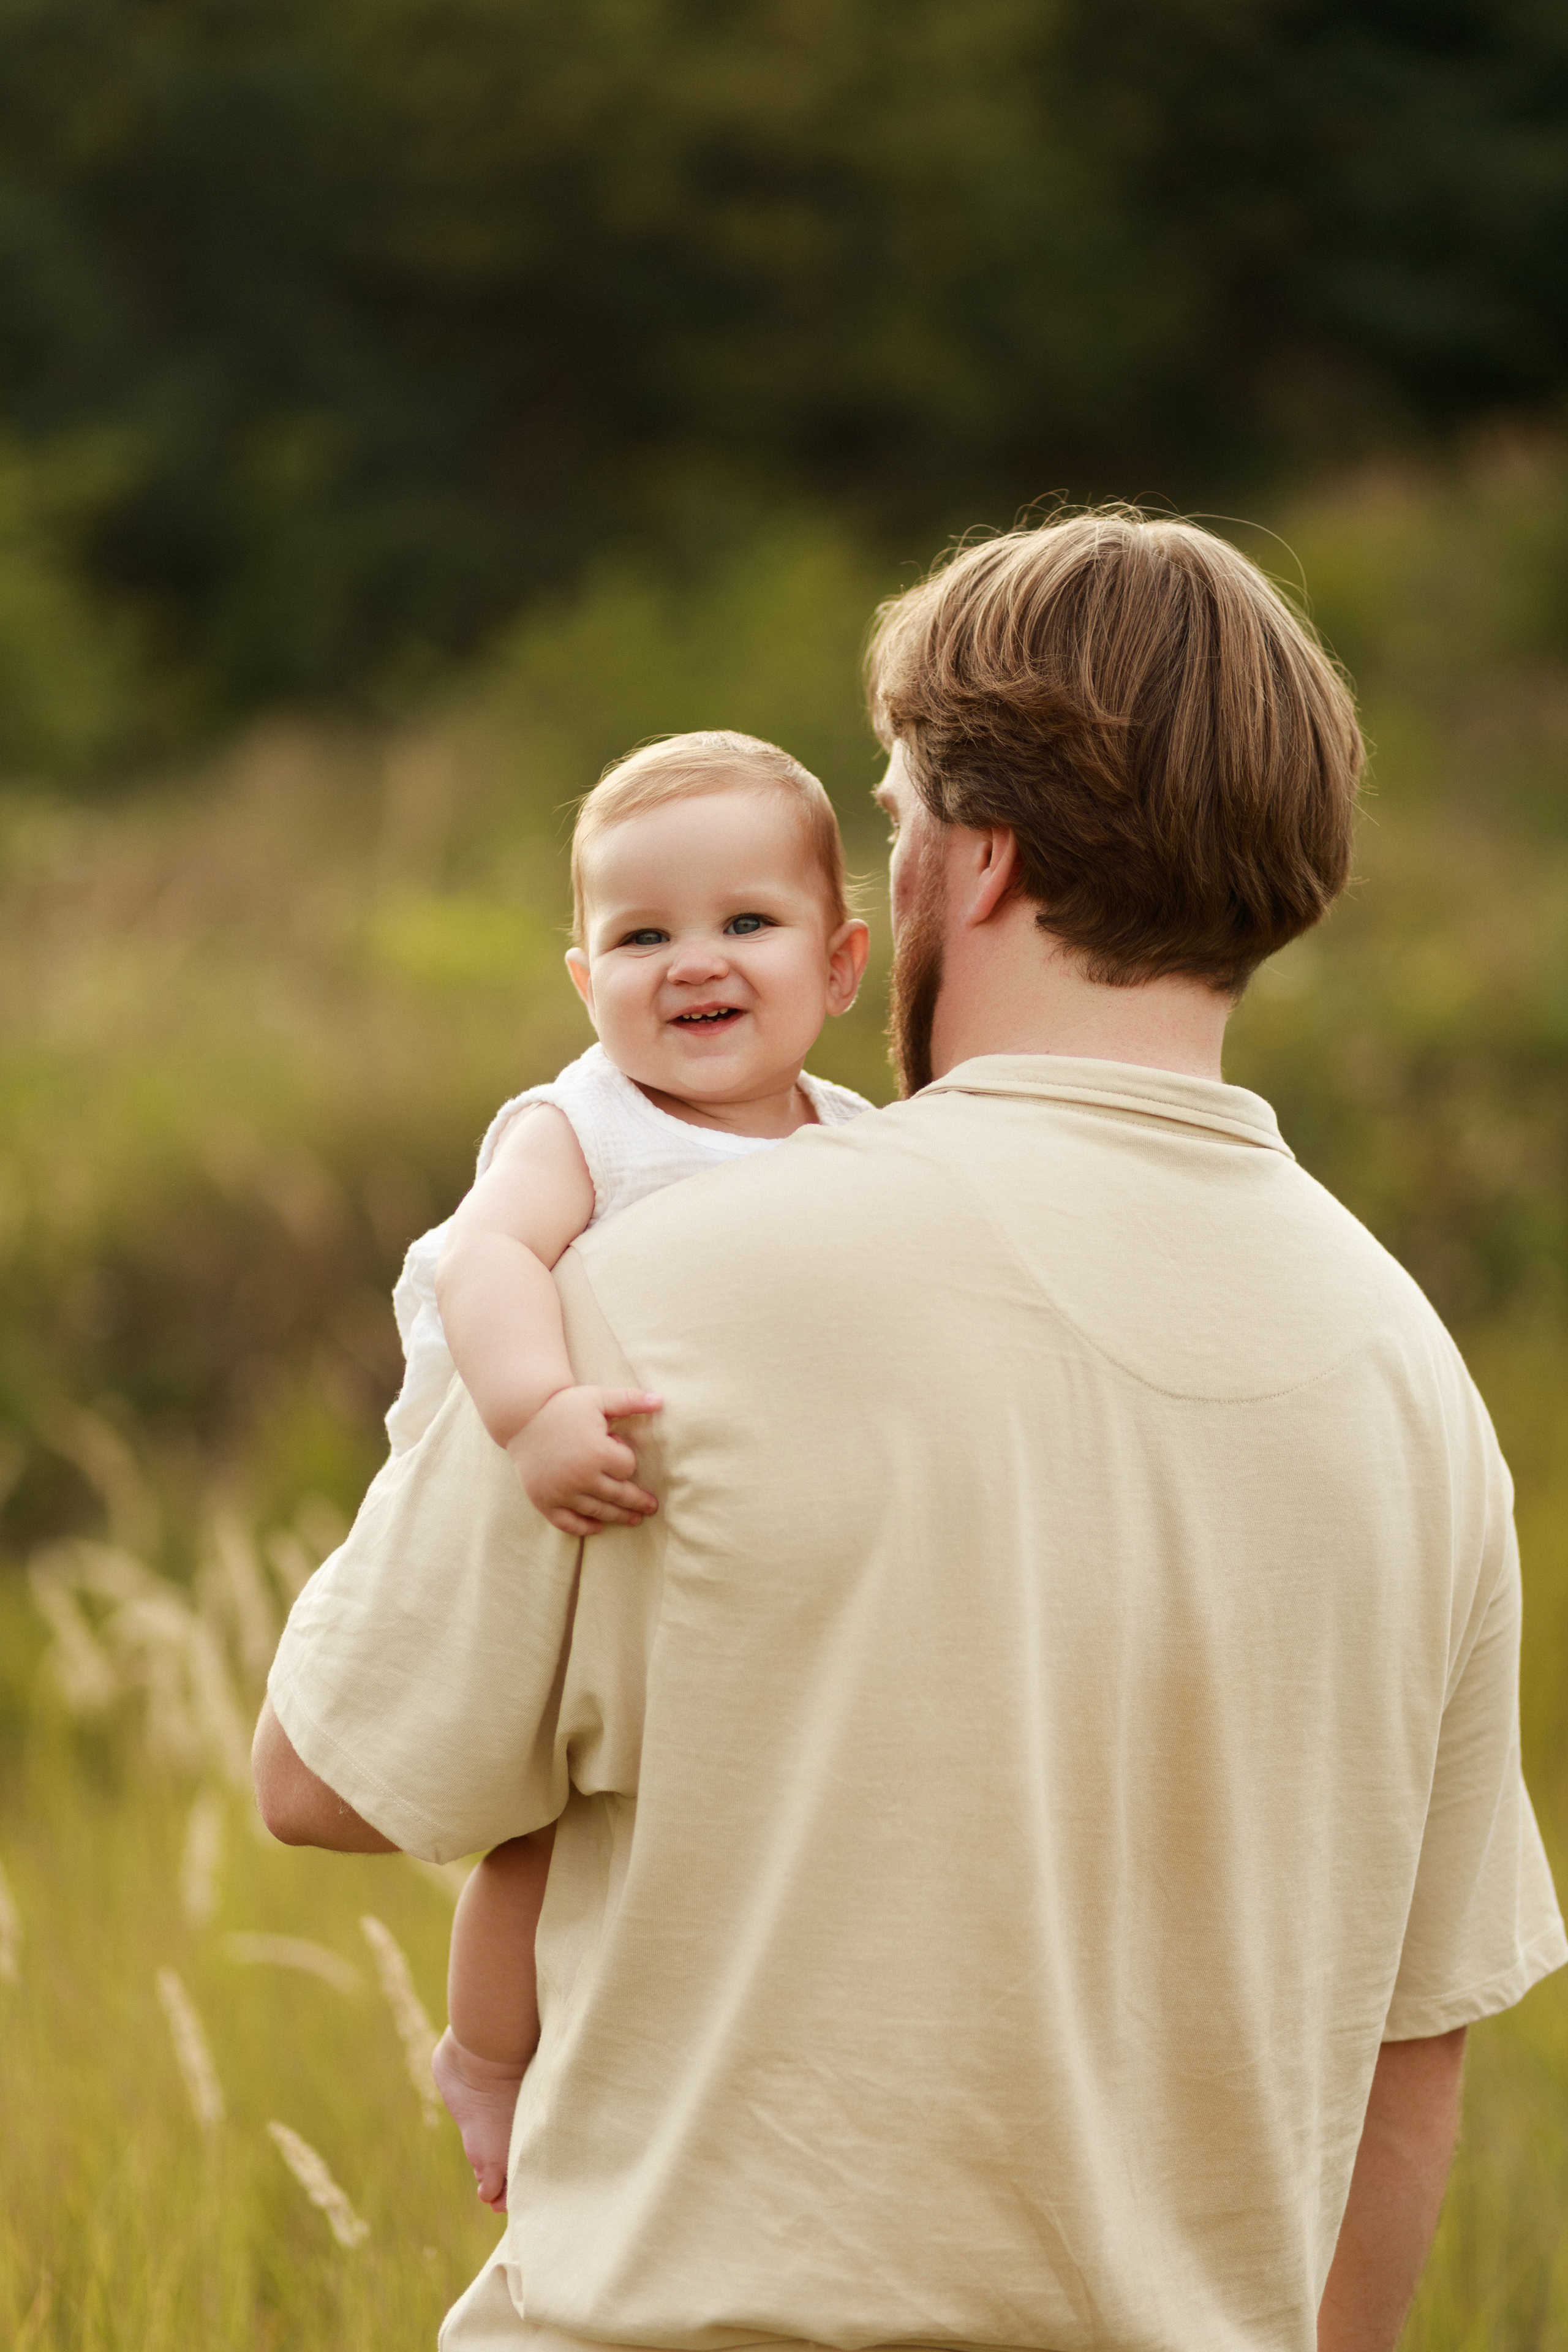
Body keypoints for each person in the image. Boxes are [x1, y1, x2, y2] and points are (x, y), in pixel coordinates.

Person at [255, 511, 1565, 2352]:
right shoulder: (1418, 1382)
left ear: (978, 859)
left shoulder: (654, 1285)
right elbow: (1411, 2057)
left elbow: (324, 1774)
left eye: (893, 816)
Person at [388, 731, 871, 2206]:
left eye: (744, 924)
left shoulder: (855, 1140)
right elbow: (485, 1261)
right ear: (584, 982)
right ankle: (482, 2057)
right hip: (536, 1469)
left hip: (700, 1518)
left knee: (687, 1822)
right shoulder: (583, 1126)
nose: (691, 962)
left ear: (841, 965)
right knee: (538, 1823)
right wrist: (535, 1413)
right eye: (640, 935)